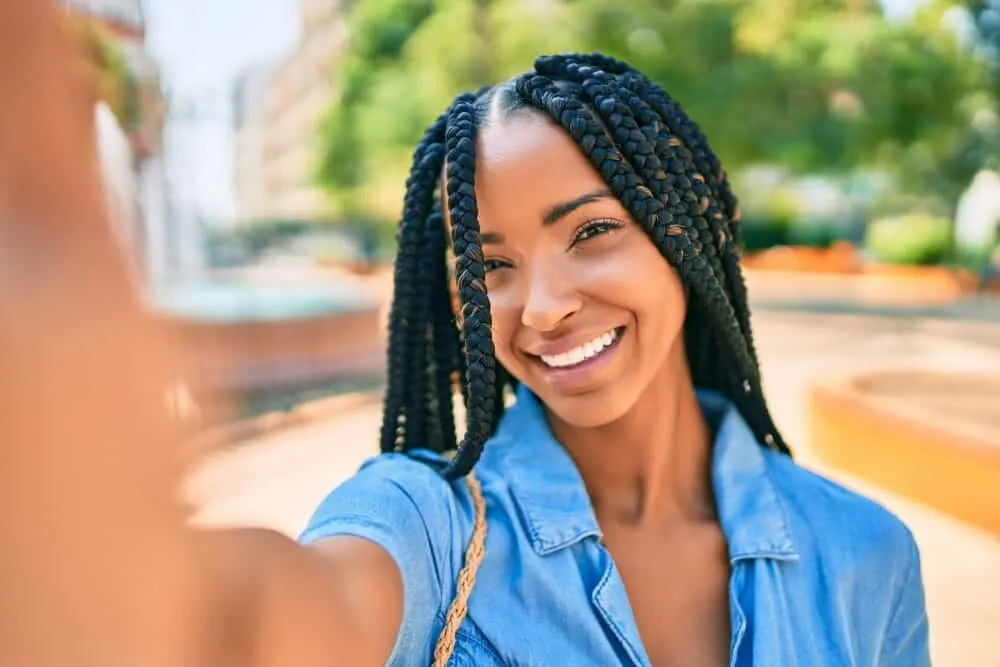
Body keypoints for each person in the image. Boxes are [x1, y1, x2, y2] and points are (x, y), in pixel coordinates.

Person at [1, 3, 926, 662]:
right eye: (490, 267)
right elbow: (257, 616)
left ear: (689, 233)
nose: (542, 305)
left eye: (592, 232)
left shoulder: (866, 553)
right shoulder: (428, 522)